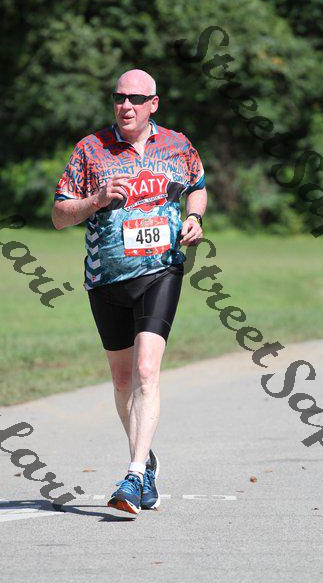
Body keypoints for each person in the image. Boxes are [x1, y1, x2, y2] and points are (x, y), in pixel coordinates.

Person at [52, 69, 207, 516]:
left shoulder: (177, 145)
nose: (126, 106)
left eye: (136, 99)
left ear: (153, 104)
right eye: (119, 97)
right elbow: (59, 215)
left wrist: (195, 218)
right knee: (122, 381)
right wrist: (96, 199)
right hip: (106, 278)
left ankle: (135, 473)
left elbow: (197, 189)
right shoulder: (90, 149)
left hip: (161, 271)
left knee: (145, 370)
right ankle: (147, 459)